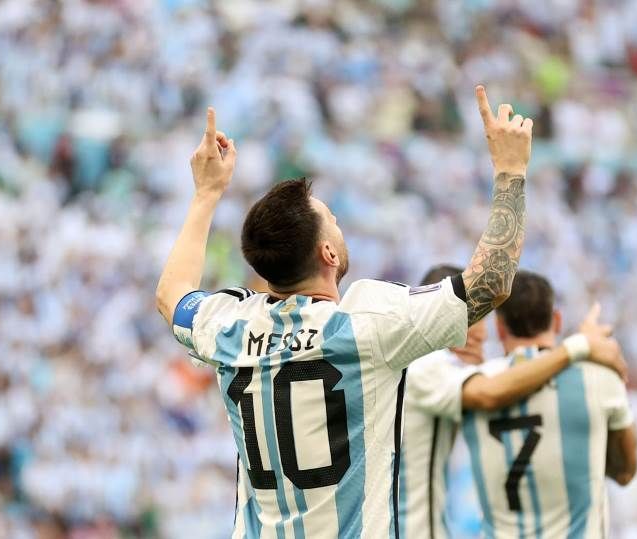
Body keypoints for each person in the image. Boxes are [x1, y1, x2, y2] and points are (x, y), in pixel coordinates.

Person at [154, 85, 533, 538]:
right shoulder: (365, 323)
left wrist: (206, 194)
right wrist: (511, 171)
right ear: (329, 254)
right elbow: (491, 283)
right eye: (332, 219)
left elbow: (171, 294)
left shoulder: (229, 326)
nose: (338, 224)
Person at [398, 265, 627, 539]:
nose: (479, 334)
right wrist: (578, 347)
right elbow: (489, 393)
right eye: (471, 317)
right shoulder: (424, 366)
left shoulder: (421, 365)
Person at [462, 270, 637, 538]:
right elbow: (625, 472)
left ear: (499, 328)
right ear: (557, 320)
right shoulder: (598, 378)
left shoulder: (475, 383)